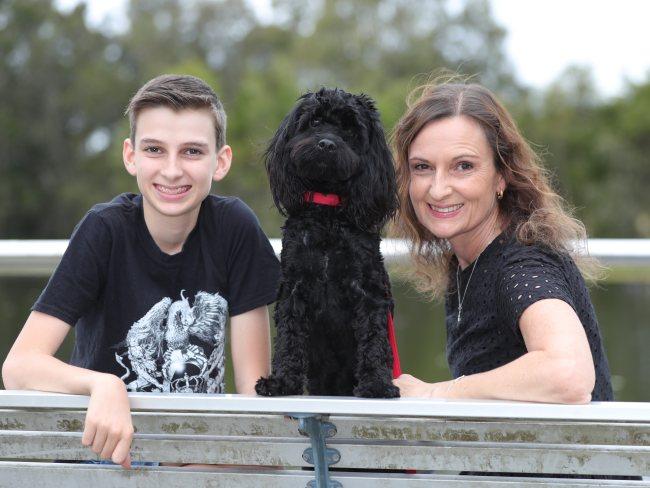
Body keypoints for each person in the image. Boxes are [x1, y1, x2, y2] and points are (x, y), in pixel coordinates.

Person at [1, 74, 280, 468]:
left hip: (196, 459)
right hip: (106, 460)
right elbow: (19, 366)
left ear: (221, 161)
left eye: (192, 152)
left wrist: (212, 461)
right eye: (154, 149)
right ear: (130, 155)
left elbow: (255, 395)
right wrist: (103, 384)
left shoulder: (235, 228)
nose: (171, 170)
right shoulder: (105, 229)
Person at [390, 78, 613, 405]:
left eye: (462, 166)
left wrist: (435, 392)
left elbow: (569, 373)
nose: (437, 189)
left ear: (501, 175)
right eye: (422, 167)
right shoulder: (469, 259)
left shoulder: (520, 265)